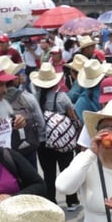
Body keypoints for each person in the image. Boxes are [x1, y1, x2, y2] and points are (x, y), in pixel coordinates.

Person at [31, 61, 82, 210]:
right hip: (62, 142)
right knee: (67, 170)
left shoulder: (34, 98)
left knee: (48, 173)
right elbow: (73, 117)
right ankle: (72, 201)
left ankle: (51, 201)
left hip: (43, 142)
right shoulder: (62, 97)